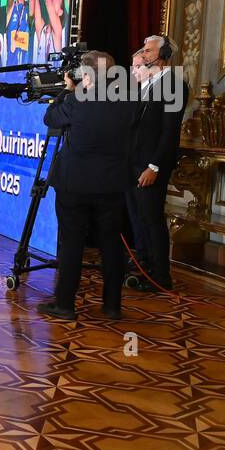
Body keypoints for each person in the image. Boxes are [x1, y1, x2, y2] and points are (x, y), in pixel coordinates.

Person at [37, 51, 133, 321]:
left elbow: (50, 118)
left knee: (71, 244)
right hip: (112, 185)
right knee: (112, 245)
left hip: (74, 183)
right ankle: (112, 306)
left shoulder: (77, 99)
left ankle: (65, 304)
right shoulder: (127, 101)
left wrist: (67, 91)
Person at [126, 34, 183, 292]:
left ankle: (161, 276)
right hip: (134, 163)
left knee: (151, 219)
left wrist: (155, 166)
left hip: (151, 166)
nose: (144, 54)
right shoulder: (148, 85)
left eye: (148, 51)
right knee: (138, 219)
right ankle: (144, 268)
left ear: (165, 53)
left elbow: (170, 132)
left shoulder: (174, 84)